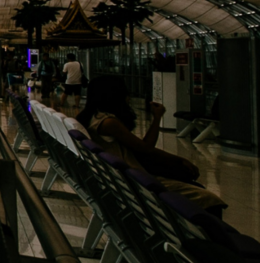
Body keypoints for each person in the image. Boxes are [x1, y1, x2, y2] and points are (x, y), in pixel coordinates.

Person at [75, 76, 226, 215]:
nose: (128, 97)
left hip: (121, 180)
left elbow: (138, 147)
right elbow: (145, 148)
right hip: (136, 181)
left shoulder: (92, 118)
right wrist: (157, 117)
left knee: (192, 185)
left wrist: (177, 159)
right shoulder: (108, 123)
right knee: (209, 199)